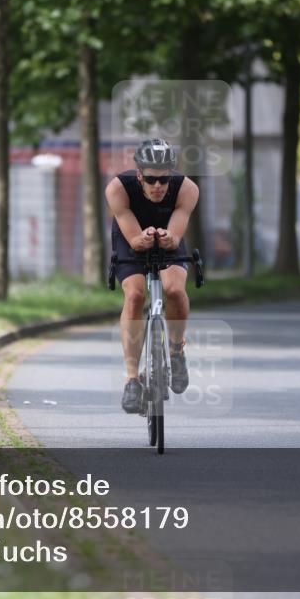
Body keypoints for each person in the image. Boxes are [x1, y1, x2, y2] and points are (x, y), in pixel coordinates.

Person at [105, 138, 200, 414]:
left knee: (174, 290)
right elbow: (134, 242)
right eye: (150, 179)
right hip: (131, 236)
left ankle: (176, 352)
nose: (158, 186)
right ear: (139, 175)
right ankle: (133, 380)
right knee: (134, 295)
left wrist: (169, 238)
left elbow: (176, 234)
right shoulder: (118, 189)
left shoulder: (187, 189)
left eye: (164, 180)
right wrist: (141, 238)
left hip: (168, 236)